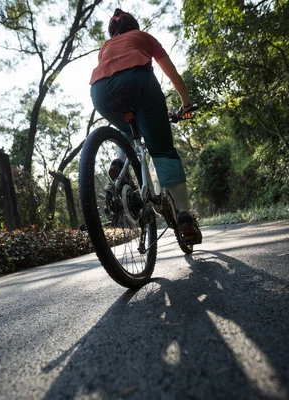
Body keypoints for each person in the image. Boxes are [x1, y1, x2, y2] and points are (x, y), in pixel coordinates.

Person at [89, 8, 202, 244]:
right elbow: (169, 70)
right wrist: (186, 103)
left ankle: (120, 164)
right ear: (134, 26)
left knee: (127, 127)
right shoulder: (142, 37)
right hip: (138, 81)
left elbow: (112, 75)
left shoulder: (105, 47)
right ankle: (184, 217)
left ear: (113, 31)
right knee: (161, 149)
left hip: (99, 91)